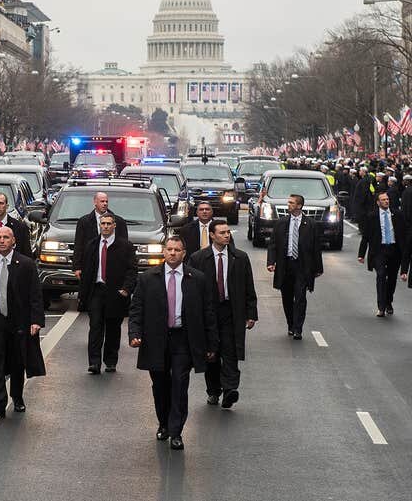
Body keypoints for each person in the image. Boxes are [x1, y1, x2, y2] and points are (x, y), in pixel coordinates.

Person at [128, 236, 217, 450]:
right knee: (160, 385)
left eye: (177, 249)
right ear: (163, 252)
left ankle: (176, 431)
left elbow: (208, 313)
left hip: (183, 340)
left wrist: (211, 344)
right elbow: (136, 309)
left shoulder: (197, 279)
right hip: (156, 339)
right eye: (169, 249)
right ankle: (163, 423)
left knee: (179, 384)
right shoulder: (148, 278)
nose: (173, 253)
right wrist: (134, 333)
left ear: (184, 253)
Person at [0, 226, 45, 418]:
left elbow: (35, 295)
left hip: (18, 319)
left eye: (6, 237)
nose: (2, 240)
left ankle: (17, 398)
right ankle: (0, 402)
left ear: (13, 241)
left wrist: (36, 321)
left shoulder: (26, 264)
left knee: (17, 360)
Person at [189, 220, 258, 408]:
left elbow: (248, 286)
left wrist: (251, 313)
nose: (226, 235)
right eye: (222, 232)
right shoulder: (198, 259)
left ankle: (230, 390)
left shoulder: (240, 257)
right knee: (211, 354)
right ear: (212, 235)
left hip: (231, 311)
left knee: (230, 351)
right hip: (208, 313)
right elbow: (190, 288)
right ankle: (213, 390)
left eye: (228, 232)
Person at [77, 213, 136, 374]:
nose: (105, 226)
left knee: (112, 328)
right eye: (103, 224)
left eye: (109, 223)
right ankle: (94, 362)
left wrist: (126, 289)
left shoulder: (125, 246)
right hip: (96, 290)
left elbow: (132, 271)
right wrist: (83, 294)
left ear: (114, 225)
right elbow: (87, 270)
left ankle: (110, 361)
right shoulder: (92, 245)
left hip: (115, 293)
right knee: (95, 326)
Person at [267, 193, 323, 338]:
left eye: (292, 203)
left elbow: (316, 247)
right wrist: (271, 262)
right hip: (286, 265)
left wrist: (318, 268)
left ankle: (298, 328)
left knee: (300, 297)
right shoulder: (281, 222)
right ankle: (291, 324)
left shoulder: (310, 224)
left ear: (299, 205)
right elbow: (273, 244)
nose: (288, 205)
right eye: (288, 202)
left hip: (302, 266)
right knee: (286, 297)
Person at [358, 192, 406, 317]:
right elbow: (366, 236)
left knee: (391, 279)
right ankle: (381, 307)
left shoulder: (398, 215)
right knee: (381, 275)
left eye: (387, 199)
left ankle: (388, 301)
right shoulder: (372, 216)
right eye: (383, 200)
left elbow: (403, 234)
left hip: (394, 250)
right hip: (379, 250)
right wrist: (361, 254)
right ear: (378, 202)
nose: (386, 201)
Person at [72, 192, 128, 280]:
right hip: (90, 266)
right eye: (102, 201)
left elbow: (125, 247)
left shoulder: (119, 222)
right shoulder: (84, 222)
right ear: (95, 202)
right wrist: (77, 267)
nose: (105, 204)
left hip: (113, 266)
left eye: (106, 201)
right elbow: (79, 245)